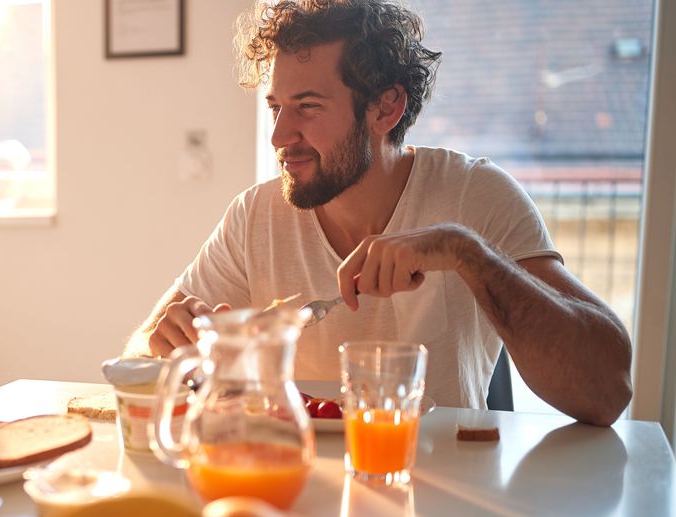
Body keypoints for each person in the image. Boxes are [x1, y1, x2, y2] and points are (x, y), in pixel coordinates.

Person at [127, 0, 631, 426]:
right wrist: (165, 340)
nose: (280, 137)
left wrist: (467, 254)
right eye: (276, 107)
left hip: (451, 494)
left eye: (308, 107)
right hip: (299, 481)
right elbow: (135, 359)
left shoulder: (475, 196)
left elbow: (608, 390)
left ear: (385, 108)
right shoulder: (254, 216)